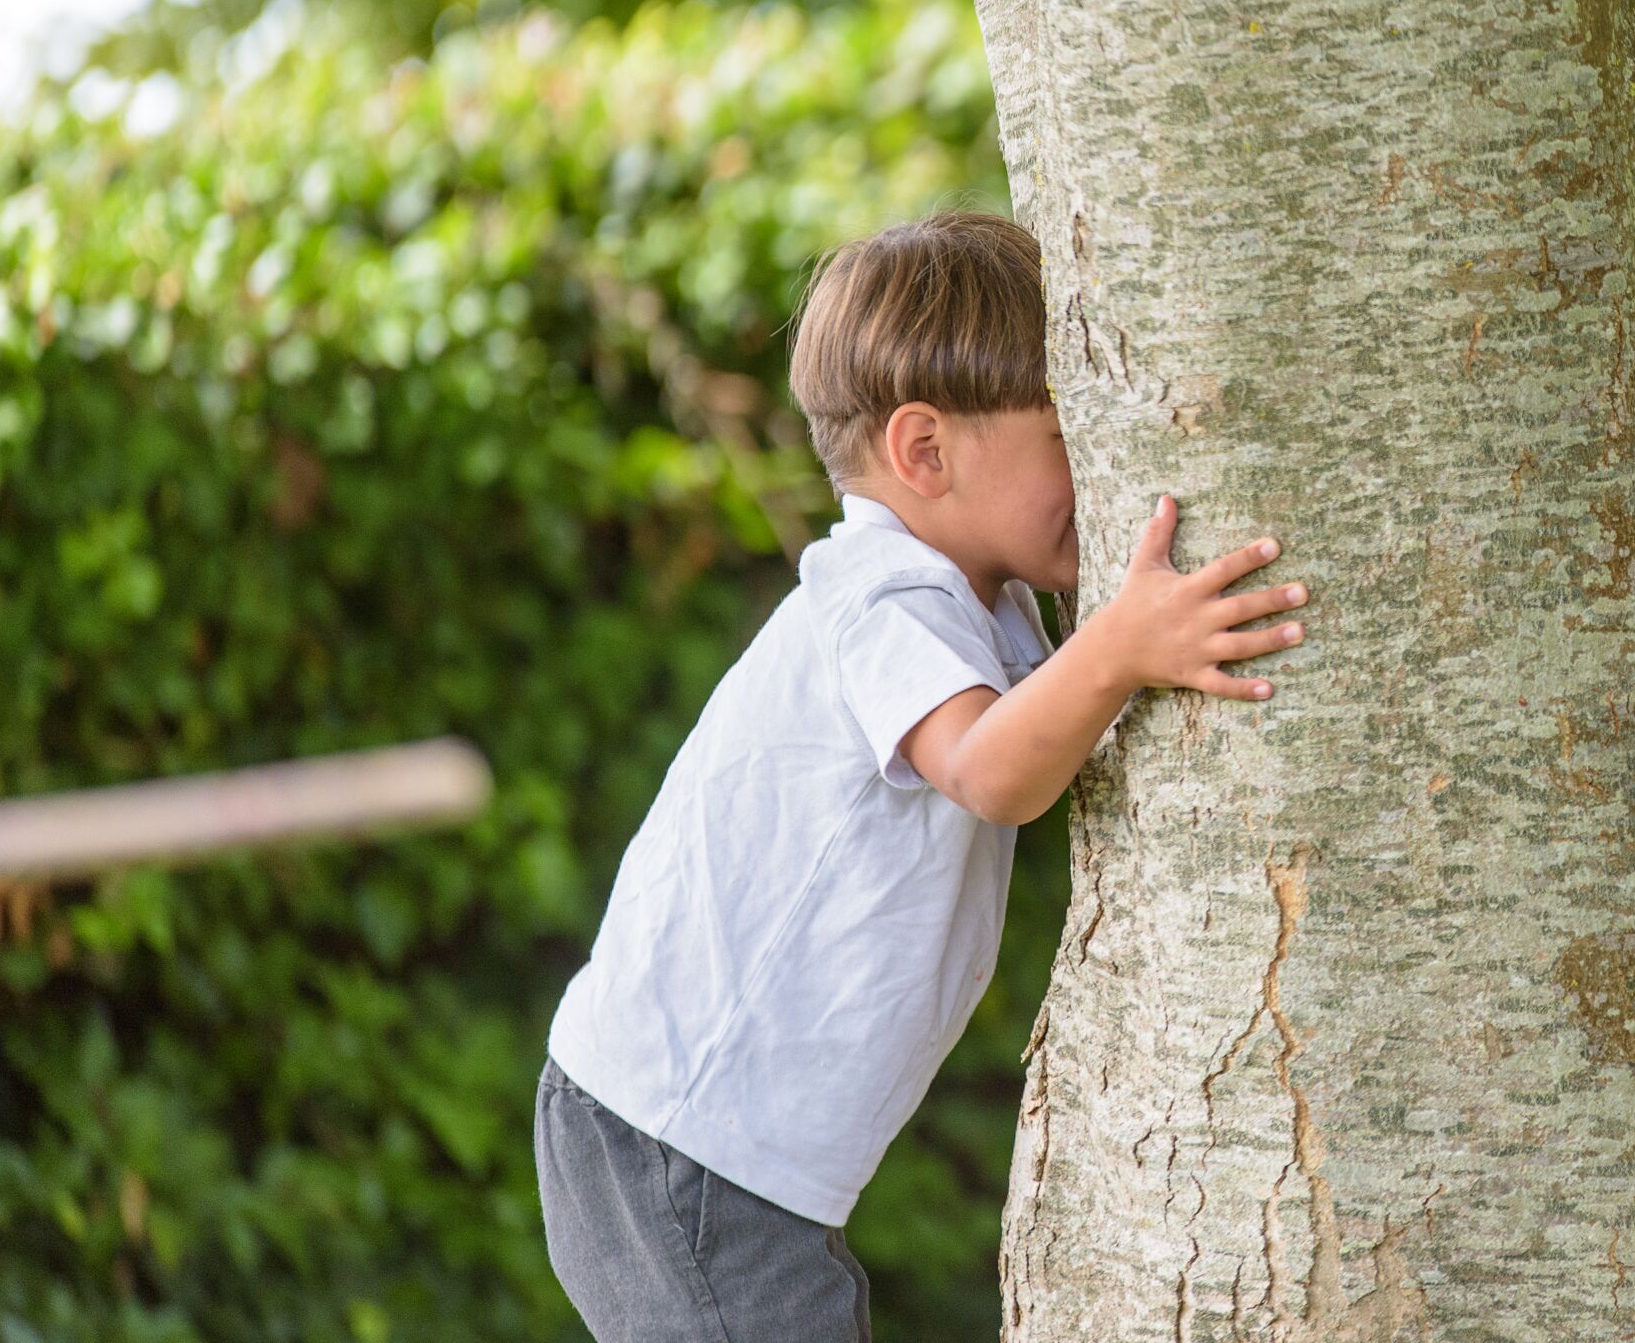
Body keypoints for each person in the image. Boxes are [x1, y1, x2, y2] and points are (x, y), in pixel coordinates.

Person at [534, 212, 1307, 1340]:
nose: (1095, 473)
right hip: (676, 1141)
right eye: (1062, 432)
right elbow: (992, 768)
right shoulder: (879, 594)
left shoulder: (977, 600)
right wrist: (1127, 643)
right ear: (925, 452)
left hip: (712, 1152)